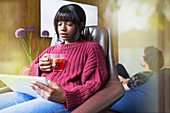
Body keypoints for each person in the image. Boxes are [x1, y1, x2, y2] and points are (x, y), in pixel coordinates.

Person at [0, 4, 108, 113]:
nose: (62, 28)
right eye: (59, 24)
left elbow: (94, 83)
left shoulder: (92, 48)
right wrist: (38, 68)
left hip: (60, 100)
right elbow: (22, 75)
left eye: (69, 24)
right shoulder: (50, 50)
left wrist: (66, 96)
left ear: (80, 24)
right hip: (32, 93)